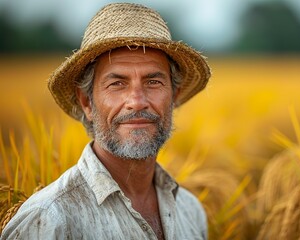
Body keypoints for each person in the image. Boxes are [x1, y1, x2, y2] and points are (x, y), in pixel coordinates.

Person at [0, 2, 211, 240]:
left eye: (153, 82)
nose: (137, 101)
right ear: (87, 103)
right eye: (117, 84)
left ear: (174, 96)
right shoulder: (49, 220)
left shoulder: (190, 211)